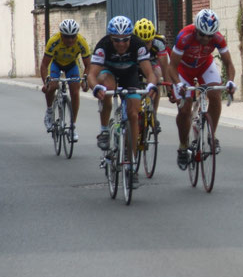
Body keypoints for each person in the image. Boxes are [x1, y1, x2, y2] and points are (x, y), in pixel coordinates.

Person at [87, 16, 157, 179]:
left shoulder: (138, 45)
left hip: (129, 74)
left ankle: (132, 165)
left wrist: (151, 85)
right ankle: (104, 130)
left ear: (130, 37)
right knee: (107, 87)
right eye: (116, 40)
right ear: (110, 38)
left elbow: (150, 73)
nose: (121, 44)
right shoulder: (103, 46)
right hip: (109, 72)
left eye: (125, 40)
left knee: (133, 114)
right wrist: (96, 87)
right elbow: (92, 74)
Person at [168, 8, 237, 170]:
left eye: (209, 36)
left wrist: (231, 82)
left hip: (205, 65)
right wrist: (178, 83)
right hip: (183, 69)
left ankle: (211, 135)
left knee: (215, 93)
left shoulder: (218, 38)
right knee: (184, 110)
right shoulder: (184, 36)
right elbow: (172, 67)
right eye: (202, 35)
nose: (206, 39)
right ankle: (183, 146)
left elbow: (229, 63)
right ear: (196, 30)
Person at [40, 19, 90, 141]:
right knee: (52, 86)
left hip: (72, 65)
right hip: (56, 64)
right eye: (67, 37)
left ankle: (73, 126)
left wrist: (85, 80)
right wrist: (45, 83)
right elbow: (44, 65)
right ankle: (50, 111)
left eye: (73, 37)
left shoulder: (81, 42)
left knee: (75, 91)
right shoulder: (54, 41)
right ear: (61, 35)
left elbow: (88, 65)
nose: (70, 40)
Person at [133, 18, 171, 128]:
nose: (145, 46)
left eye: (148, 42)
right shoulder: (131, 43)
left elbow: (165, 68)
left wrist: (169, 90)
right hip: (136, 64)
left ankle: (153, 113)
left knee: (157, 79)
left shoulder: (159, 43)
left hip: (152, 62)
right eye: (142, 42)